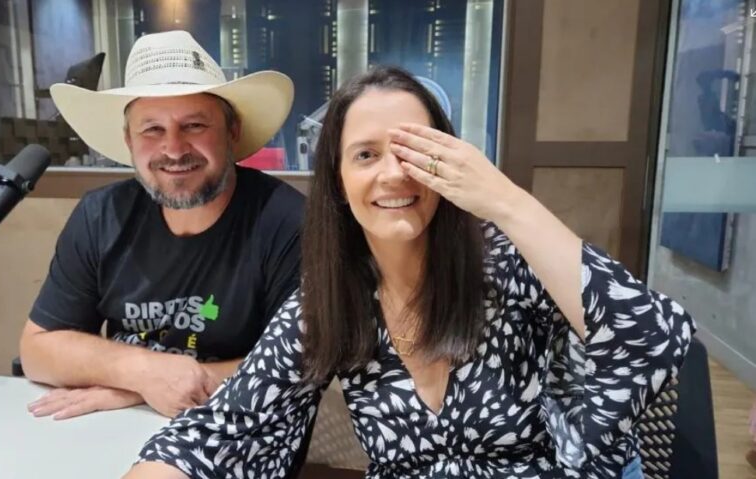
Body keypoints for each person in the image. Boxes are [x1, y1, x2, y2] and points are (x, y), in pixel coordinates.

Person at [124, 66, 694, 479]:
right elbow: (227, 425)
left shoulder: (507, 264)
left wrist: (505, 201)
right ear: (339, 182)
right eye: (366, 155)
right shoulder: (333, 301)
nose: (394, 174)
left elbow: (653, 338)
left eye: (415, 152)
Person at [19, 30, 304, 421]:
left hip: (239, 426)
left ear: (232, 131)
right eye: (152, 129)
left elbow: (299, 365)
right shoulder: (100, 215)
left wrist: (153, 386)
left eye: (194, 125)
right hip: (119, 426)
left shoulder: (287, 221)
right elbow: (37, 349)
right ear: (128, 140)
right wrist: (142, 374)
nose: (173, 149)